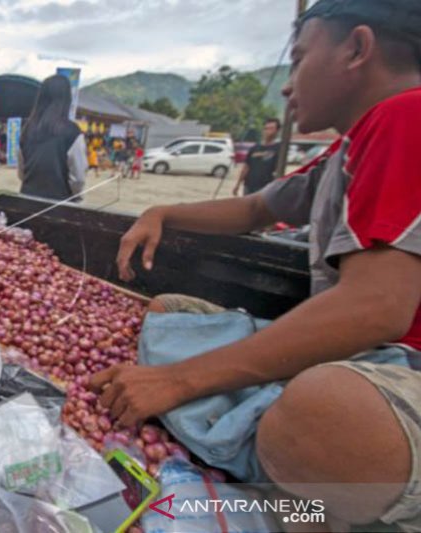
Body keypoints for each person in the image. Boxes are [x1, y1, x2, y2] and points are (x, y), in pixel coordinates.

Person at [93, 1, 421, 530]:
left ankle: (301, 501)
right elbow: (256, 208)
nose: (288, 86)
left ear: (357, 49)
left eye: (298, 59)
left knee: (318, 415)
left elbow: (376, 308)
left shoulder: (407, 115)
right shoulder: (345, 150)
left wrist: (178, 381)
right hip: (352, 358)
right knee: (168, 311)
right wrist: (162, 210)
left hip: (395, 375)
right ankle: (278, 454)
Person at [18, 75, 87, 202]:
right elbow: (78, 178)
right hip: (59, 204)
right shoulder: (72, 131)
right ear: (67, 99)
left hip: (26, 200)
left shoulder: (27, 129)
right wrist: (76, 197)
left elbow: (22, 172)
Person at [232, 118, 282, 196]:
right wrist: (237, 185)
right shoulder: (254, 148)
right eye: (266, 128)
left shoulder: (279, 148)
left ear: (277, 131)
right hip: (249, 186)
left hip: (265, 188)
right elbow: (246, 167)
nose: (267, 131)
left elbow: (279, 170)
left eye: (271, 129)